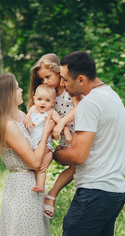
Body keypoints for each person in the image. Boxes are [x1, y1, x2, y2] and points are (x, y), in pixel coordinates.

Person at [52, 51, 125, 236]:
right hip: (115, 192)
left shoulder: (90, 103)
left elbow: (78, 156)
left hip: (95, 193)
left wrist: (57, 154)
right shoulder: (113, 97)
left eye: (65, 79)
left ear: (80, 79)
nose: (62, 84)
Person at [0, 73, 54, 236]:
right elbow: (35, 162)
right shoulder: (8, 126)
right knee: (23, 234)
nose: (21, 90)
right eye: (16, 87)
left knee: (34, 233)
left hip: (32, 185)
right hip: (22, 188)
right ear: (7, 94)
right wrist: (46, 132)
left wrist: (51, 154)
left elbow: (38, 149)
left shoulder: (21, 116)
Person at [28, 53, 81, 219]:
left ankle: (51, 195)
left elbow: (80, 107)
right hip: (62, 137)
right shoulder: (46, 94)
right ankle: (41, 194)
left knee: (76, 168)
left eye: (47, 77)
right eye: (42, 79)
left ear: (59, 72)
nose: (44, 81)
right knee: (71, 167)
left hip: (78, 131)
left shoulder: (69, 88)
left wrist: (61, 123)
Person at [24, 84, 72, 193]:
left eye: (47, 100)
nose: (42, 103)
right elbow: (26, 118)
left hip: (44, 146)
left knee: (41, 168)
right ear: (34, 99)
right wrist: (28, 122)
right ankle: (31, 185)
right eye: (39, 99)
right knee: (32, 166)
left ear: (53, 102)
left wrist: (67, 134)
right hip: (31, 144)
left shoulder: (51, 113)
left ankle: (40, 185)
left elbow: (61, 123)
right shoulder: (32, 109)